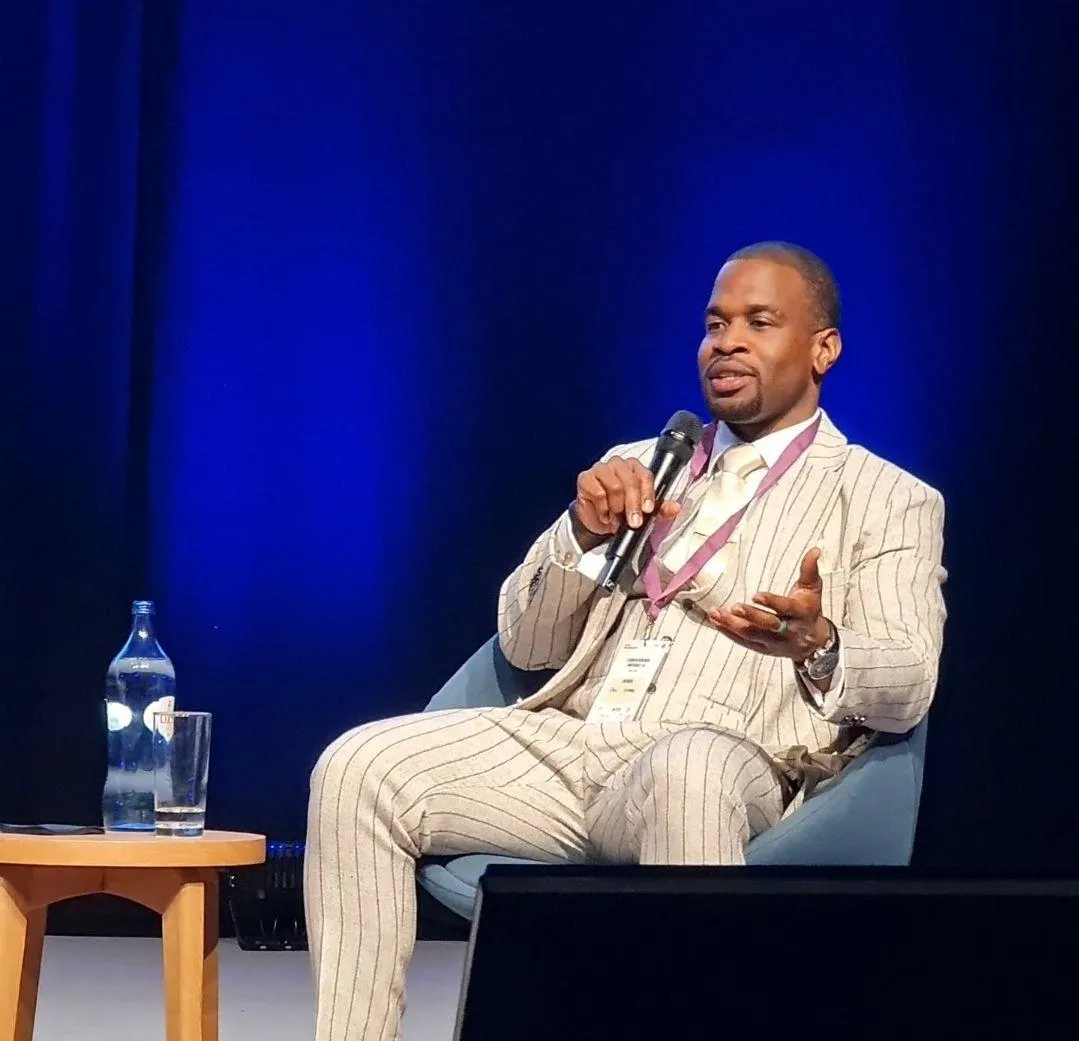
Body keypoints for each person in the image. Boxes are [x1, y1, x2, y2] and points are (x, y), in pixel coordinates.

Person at [304, 242, 947, 1041]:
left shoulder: (886, 497)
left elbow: (908, 681)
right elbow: (526, 643)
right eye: (714, 324)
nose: (726, 342)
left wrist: (818, 643)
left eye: (758, 322)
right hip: (571, 746)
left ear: (823, 348)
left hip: (724, 756)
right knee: (357, 766)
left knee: (686, 769)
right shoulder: (638, 465)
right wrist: (580, 532)